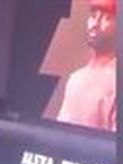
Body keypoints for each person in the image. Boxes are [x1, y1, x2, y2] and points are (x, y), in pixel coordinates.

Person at [50, 0, 117, 132]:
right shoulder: (76, 78)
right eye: (93, 16)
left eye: (106, 17)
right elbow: (59, 136)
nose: (95, 24)